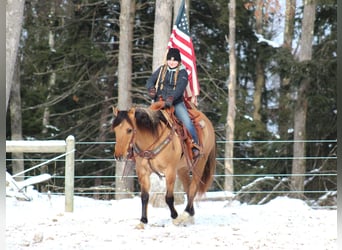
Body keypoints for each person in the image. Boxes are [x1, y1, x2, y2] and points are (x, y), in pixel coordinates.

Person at [146, 48, 200, 159]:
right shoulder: (162, 69)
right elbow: (151, 79)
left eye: (174, 60)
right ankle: (142, 144)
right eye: (170, 60)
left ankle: (194, 144)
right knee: (145, 119)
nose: (172, 62)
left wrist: (172, 98)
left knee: (187, 121)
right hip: (159, 101)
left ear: (178, 61)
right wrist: (151, 89)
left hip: (175, 102)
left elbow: (180, 87)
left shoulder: (182, 72)